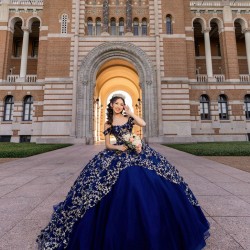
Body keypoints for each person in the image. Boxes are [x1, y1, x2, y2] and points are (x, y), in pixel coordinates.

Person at [37, 94, 210, 250]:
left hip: (138, 152)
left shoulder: (128, 118)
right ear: (111, 105)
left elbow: (143, 124)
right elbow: (108, 144)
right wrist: (120, 146)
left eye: (122, 103)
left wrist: (131, 114)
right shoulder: (108, 123)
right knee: (106, 184)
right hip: (118, 152)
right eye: (116, 103)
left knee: (156, 179)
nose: (119, 106)